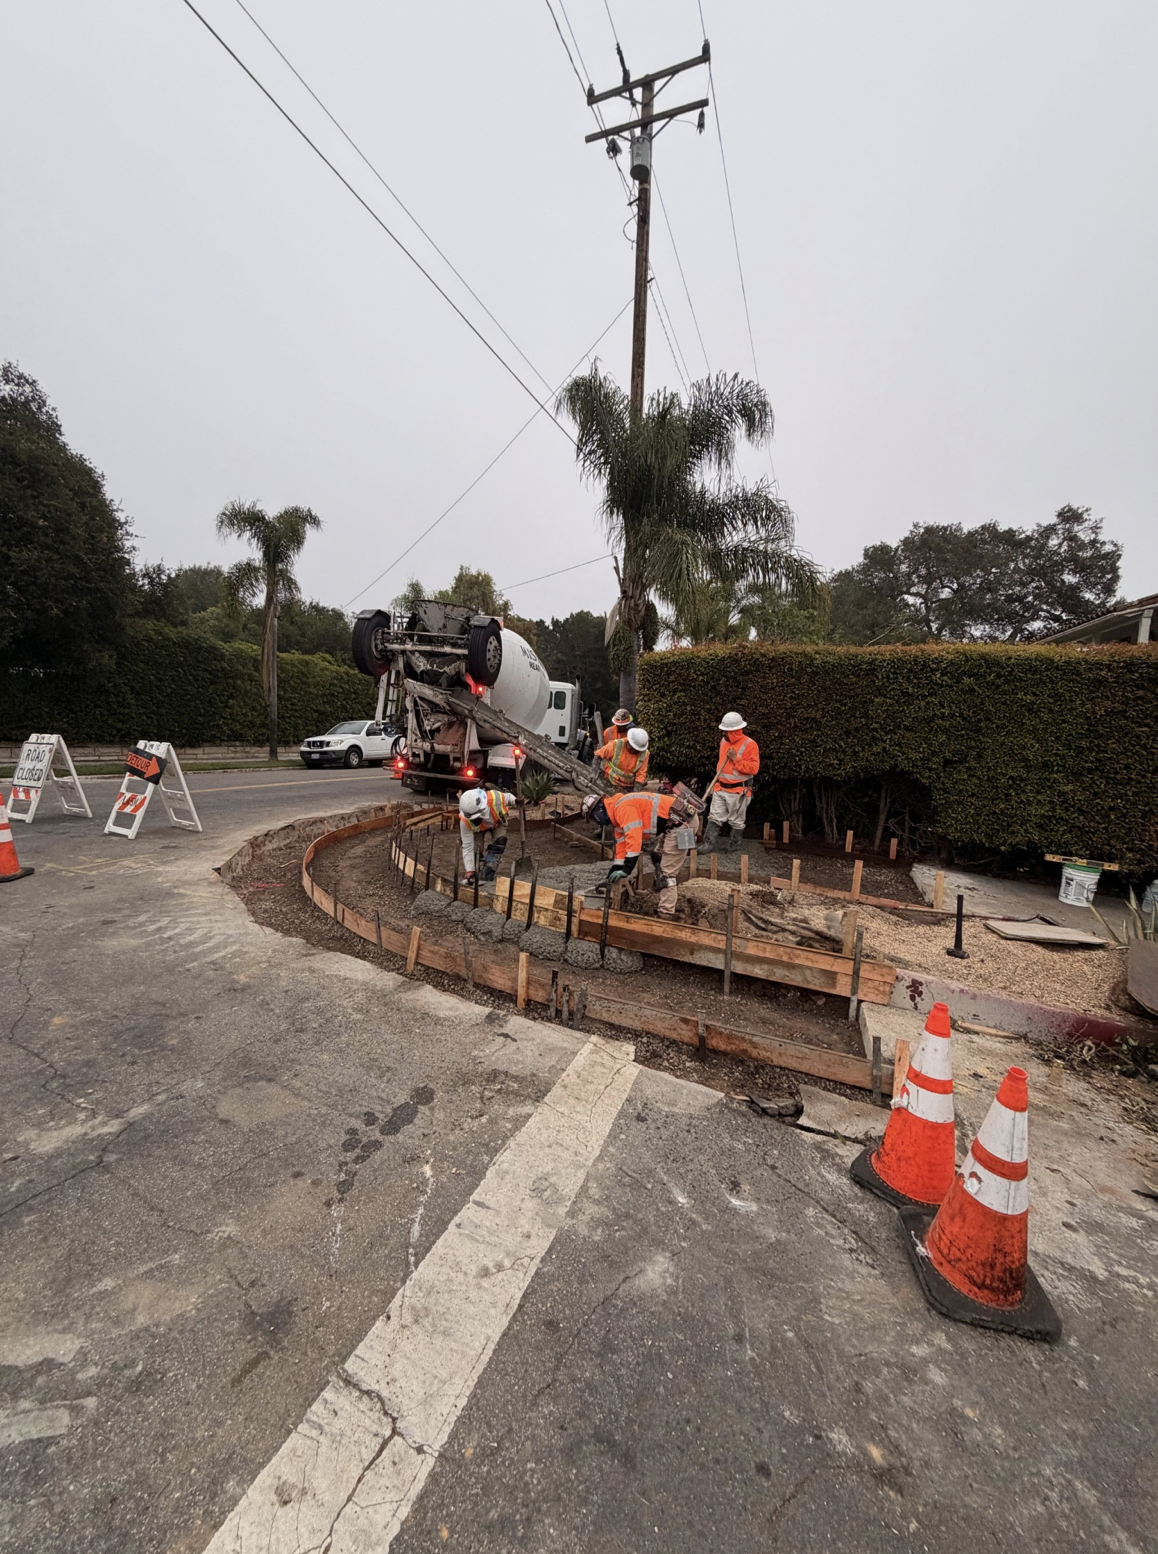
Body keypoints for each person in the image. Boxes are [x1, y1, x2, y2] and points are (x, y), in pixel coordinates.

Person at [582, 789, 698, 918]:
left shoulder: (623, 808)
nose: (595, 821)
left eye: (593, 818)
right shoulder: (616, 816)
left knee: (668, 874)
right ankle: (657, 892)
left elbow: (634, 840)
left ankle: (665, 912)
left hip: (683, 823)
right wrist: (613, 873)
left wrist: (626, 869)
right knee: (657, 856)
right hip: (673, 823)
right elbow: (622, 847)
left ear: (599, 811)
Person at [699, 711, 760, 855]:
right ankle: (707, 845)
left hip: (739, 791)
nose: (723, 733)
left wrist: (736, 759)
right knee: (714, 817)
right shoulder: (723, 742)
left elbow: (754, 768)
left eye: (726, 731)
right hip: (720, 787)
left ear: (734, 731)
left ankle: (733, 848)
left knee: (736, 821)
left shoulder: (750, 744)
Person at [459, 786, 515, 884]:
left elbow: (508, 798)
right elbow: (467, 846)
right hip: (479, 829)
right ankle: (475, 870)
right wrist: (470, 870)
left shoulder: (495, 798)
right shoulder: (465, 821)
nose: (473, 820)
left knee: (500, 841)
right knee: (475, 848)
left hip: (497, 822)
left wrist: (516, 801)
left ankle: (488, 870)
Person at [595, 724, 650, 792]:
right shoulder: (615, 745)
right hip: (609, 782)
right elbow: (598, 755)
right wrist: (595, 772)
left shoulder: (644, 754)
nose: (635, 751)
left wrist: (635, 794)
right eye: (633, 748)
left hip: (628, 787)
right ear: (628, 742)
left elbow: (640, 776)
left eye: (637, 750)